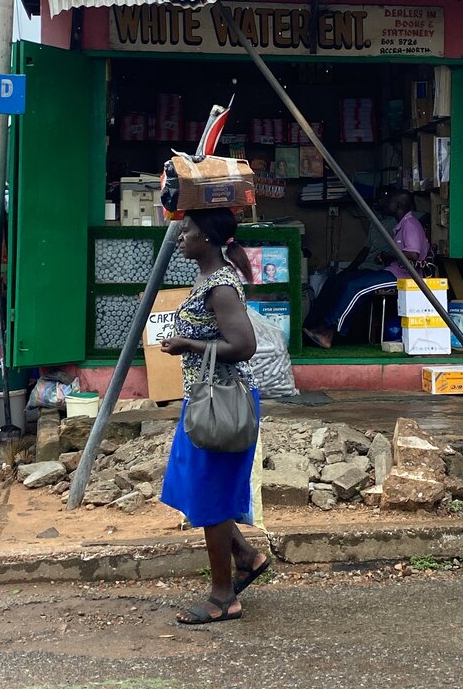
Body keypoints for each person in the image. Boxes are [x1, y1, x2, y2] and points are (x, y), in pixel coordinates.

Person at [159, 208, 269, 624]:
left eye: (186, 231)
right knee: (194, 488)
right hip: (204, 400)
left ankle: (224, 598)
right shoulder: (208, 278)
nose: (181, 236)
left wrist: (188, 344)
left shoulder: (221, 286)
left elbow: (244, 345)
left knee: (211, 496)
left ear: (204, 236)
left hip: (223, 405)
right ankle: (246, 556)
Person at [303, 191, 430, 348]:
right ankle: (323, 326)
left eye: (391, 200)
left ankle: (328, 331)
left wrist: (391, 255)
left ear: (399, 205)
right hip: (393, 271)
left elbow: (413, 254)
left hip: (404, 278)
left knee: (356, 288)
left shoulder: (410, 225)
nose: (386, 203)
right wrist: (388, 257)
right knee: (352, 283)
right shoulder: (402, 224)